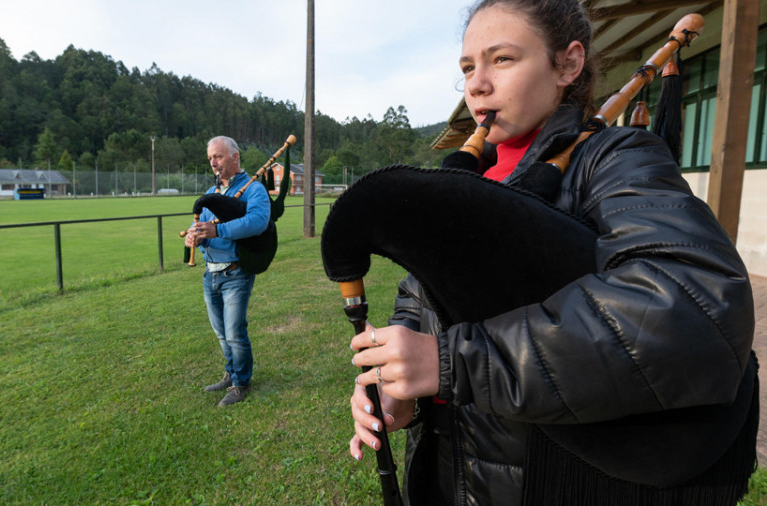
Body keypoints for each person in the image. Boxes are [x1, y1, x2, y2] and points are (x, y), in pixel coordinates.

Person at [347, 1, 755, 504]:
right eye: (468, 68)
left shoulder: (614, 160)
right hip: (461, 474)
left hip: (560, 475)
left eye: (501, 59)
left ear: (567, 64)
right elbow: (423, 292)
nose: (476, 84)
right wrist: (397, 385)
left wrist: (455, 362)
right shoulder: (471, 178)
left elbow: (694, 305)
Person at [185, 136, 271, 407]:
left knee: (234, 332)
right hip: (210, 273)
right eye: (210, 157)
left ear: (235, 157)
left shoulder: (252, 189)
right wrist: (192, 235)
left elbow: (258, 221)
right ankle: (231, 373)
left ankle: (241, 383)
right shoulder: (214, 192)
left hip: (236, 273)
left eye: (218, 156)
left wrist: (218, 229)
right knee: (222, 332)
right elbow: (200, 224)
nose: (213, 162)